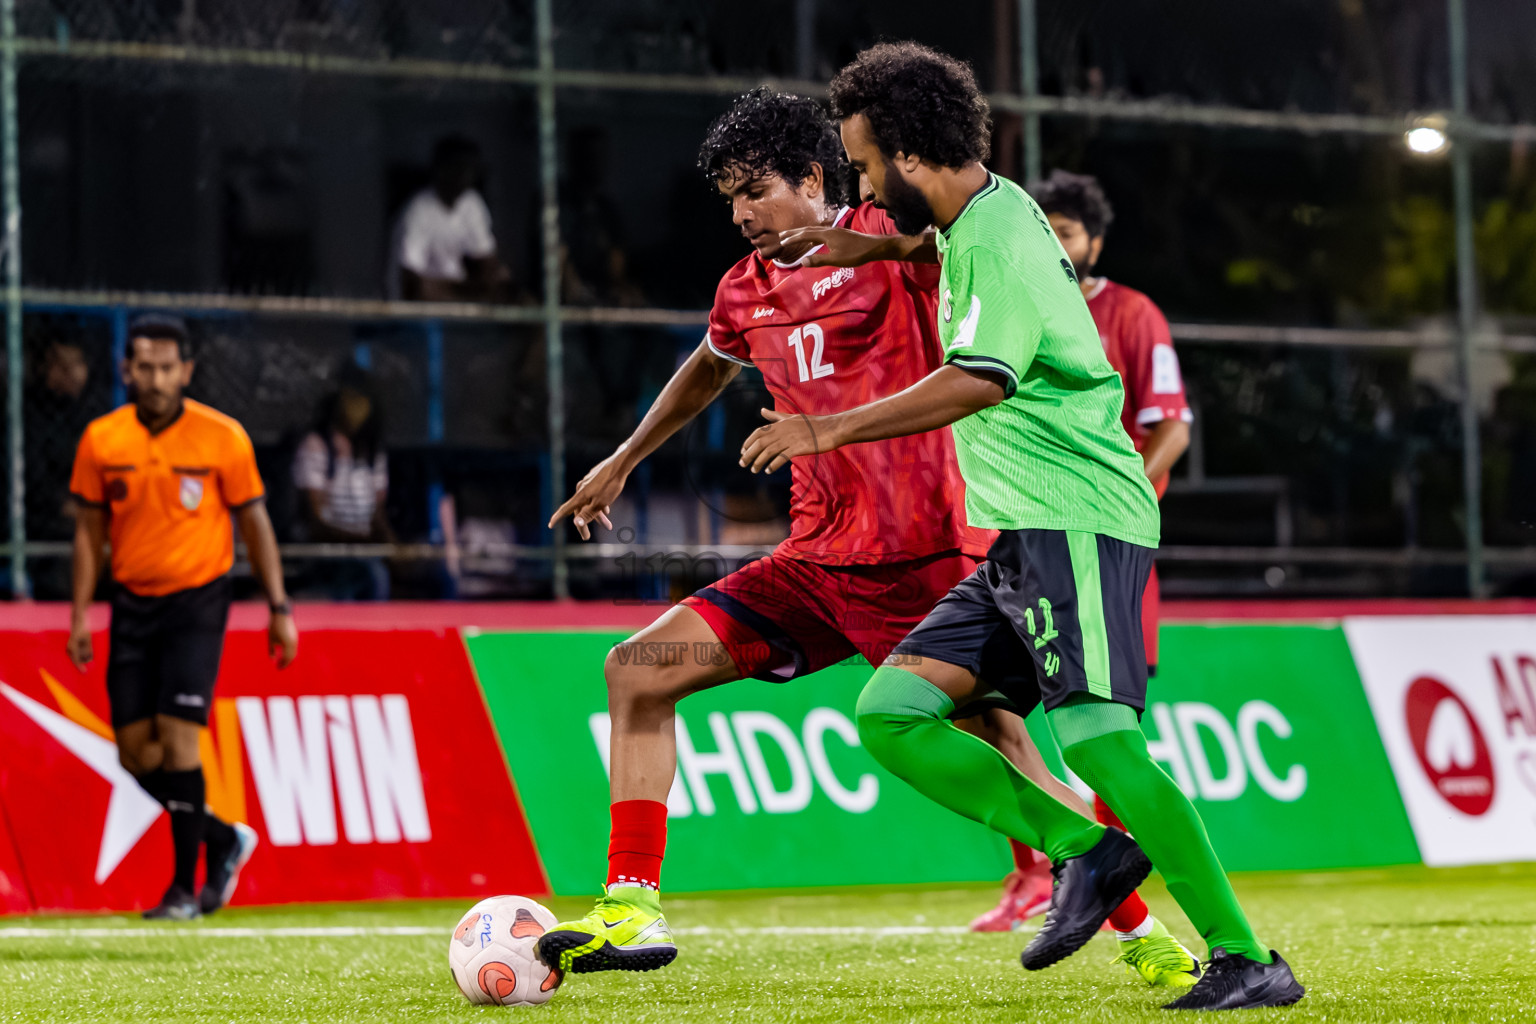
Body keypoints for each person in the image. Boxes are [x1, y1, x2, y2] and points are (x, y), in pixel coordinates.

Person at [532, 87, 1194, 989]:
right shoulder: (744, 287)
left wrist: (876, 245)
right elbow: (708, 367)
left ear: (814, 178)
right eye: (729, 198)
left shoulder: (892, 237)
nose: (741, 214)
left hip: (925, 560)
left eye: (756, 190)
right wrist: (622, 459)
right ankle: (631, 905)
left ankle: (1151, 941)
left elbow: (961, 243)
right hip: (813, 564)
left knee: (1005, 745)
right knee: (636, 670)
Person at [739, 43, 1303, 1011]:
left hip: (1075, 514)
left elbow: (980, 378)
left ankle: (1246, 956)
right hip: (1022, 536)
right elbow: (935, 247)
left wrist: (822, 428)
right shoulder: (983, 215)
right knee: (892, 713)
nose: (861, 189)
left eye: (865, 168)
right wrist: (874, 247)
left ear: (909, 154)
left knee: (1102, 744)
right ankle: (1087, 848)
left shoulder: (994, 240)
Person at [963, 170, 1196, 935]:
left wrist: (1121, 494)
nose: (1056, 243)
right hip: (1021, 532)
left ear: (1094, 241)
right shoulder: (1011, 293)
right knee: (990, 708)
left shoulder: (1132, 313)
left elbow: (1172, 424)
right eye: (1047, 228)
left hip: (1099, 534)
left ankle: (1120, 888)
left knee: (1101, 723)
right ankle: (1040, 875)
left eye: (1068, 232)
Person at [66, 313, 298, 920]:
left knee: (178, 739)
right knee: (134, 755)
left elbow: (255, 524)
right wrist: (80, 614)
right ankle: (222, 839)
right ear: (126, 370)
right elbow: (89, 532)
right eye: (144, 366)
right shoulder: (102, 440)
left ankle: (182, 890)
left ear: (186, 371)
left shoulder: (222, 437)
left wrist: (278, 607)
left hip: (197, 601)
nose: (156, 378)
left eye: (167, 367)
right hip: (131, 603)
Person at [292, 362, 393, 600]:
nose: (356, 408)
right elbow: (315, 522)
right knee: (371, 576)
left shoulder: (372, 452)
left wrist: (395, 547)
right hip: (325, 555)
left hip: (366, 553)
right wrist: (357, 541)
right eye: (350, 399)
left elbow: (378, 518)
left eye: (361, 400)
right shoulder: (316, 446)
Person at [389, 134, 512, 301]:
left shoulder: (472, 202)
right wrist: (468, 290)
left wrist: (487, 280)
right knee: (426, 289)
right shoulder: (418, 209)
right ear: (440, 169)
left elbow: (487, 261)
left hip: (456, 292)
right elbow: (412, 283)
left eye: (469, 169)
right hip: (417, 303)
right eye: (457, 167)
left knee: (503, 282)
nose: (463, 174)